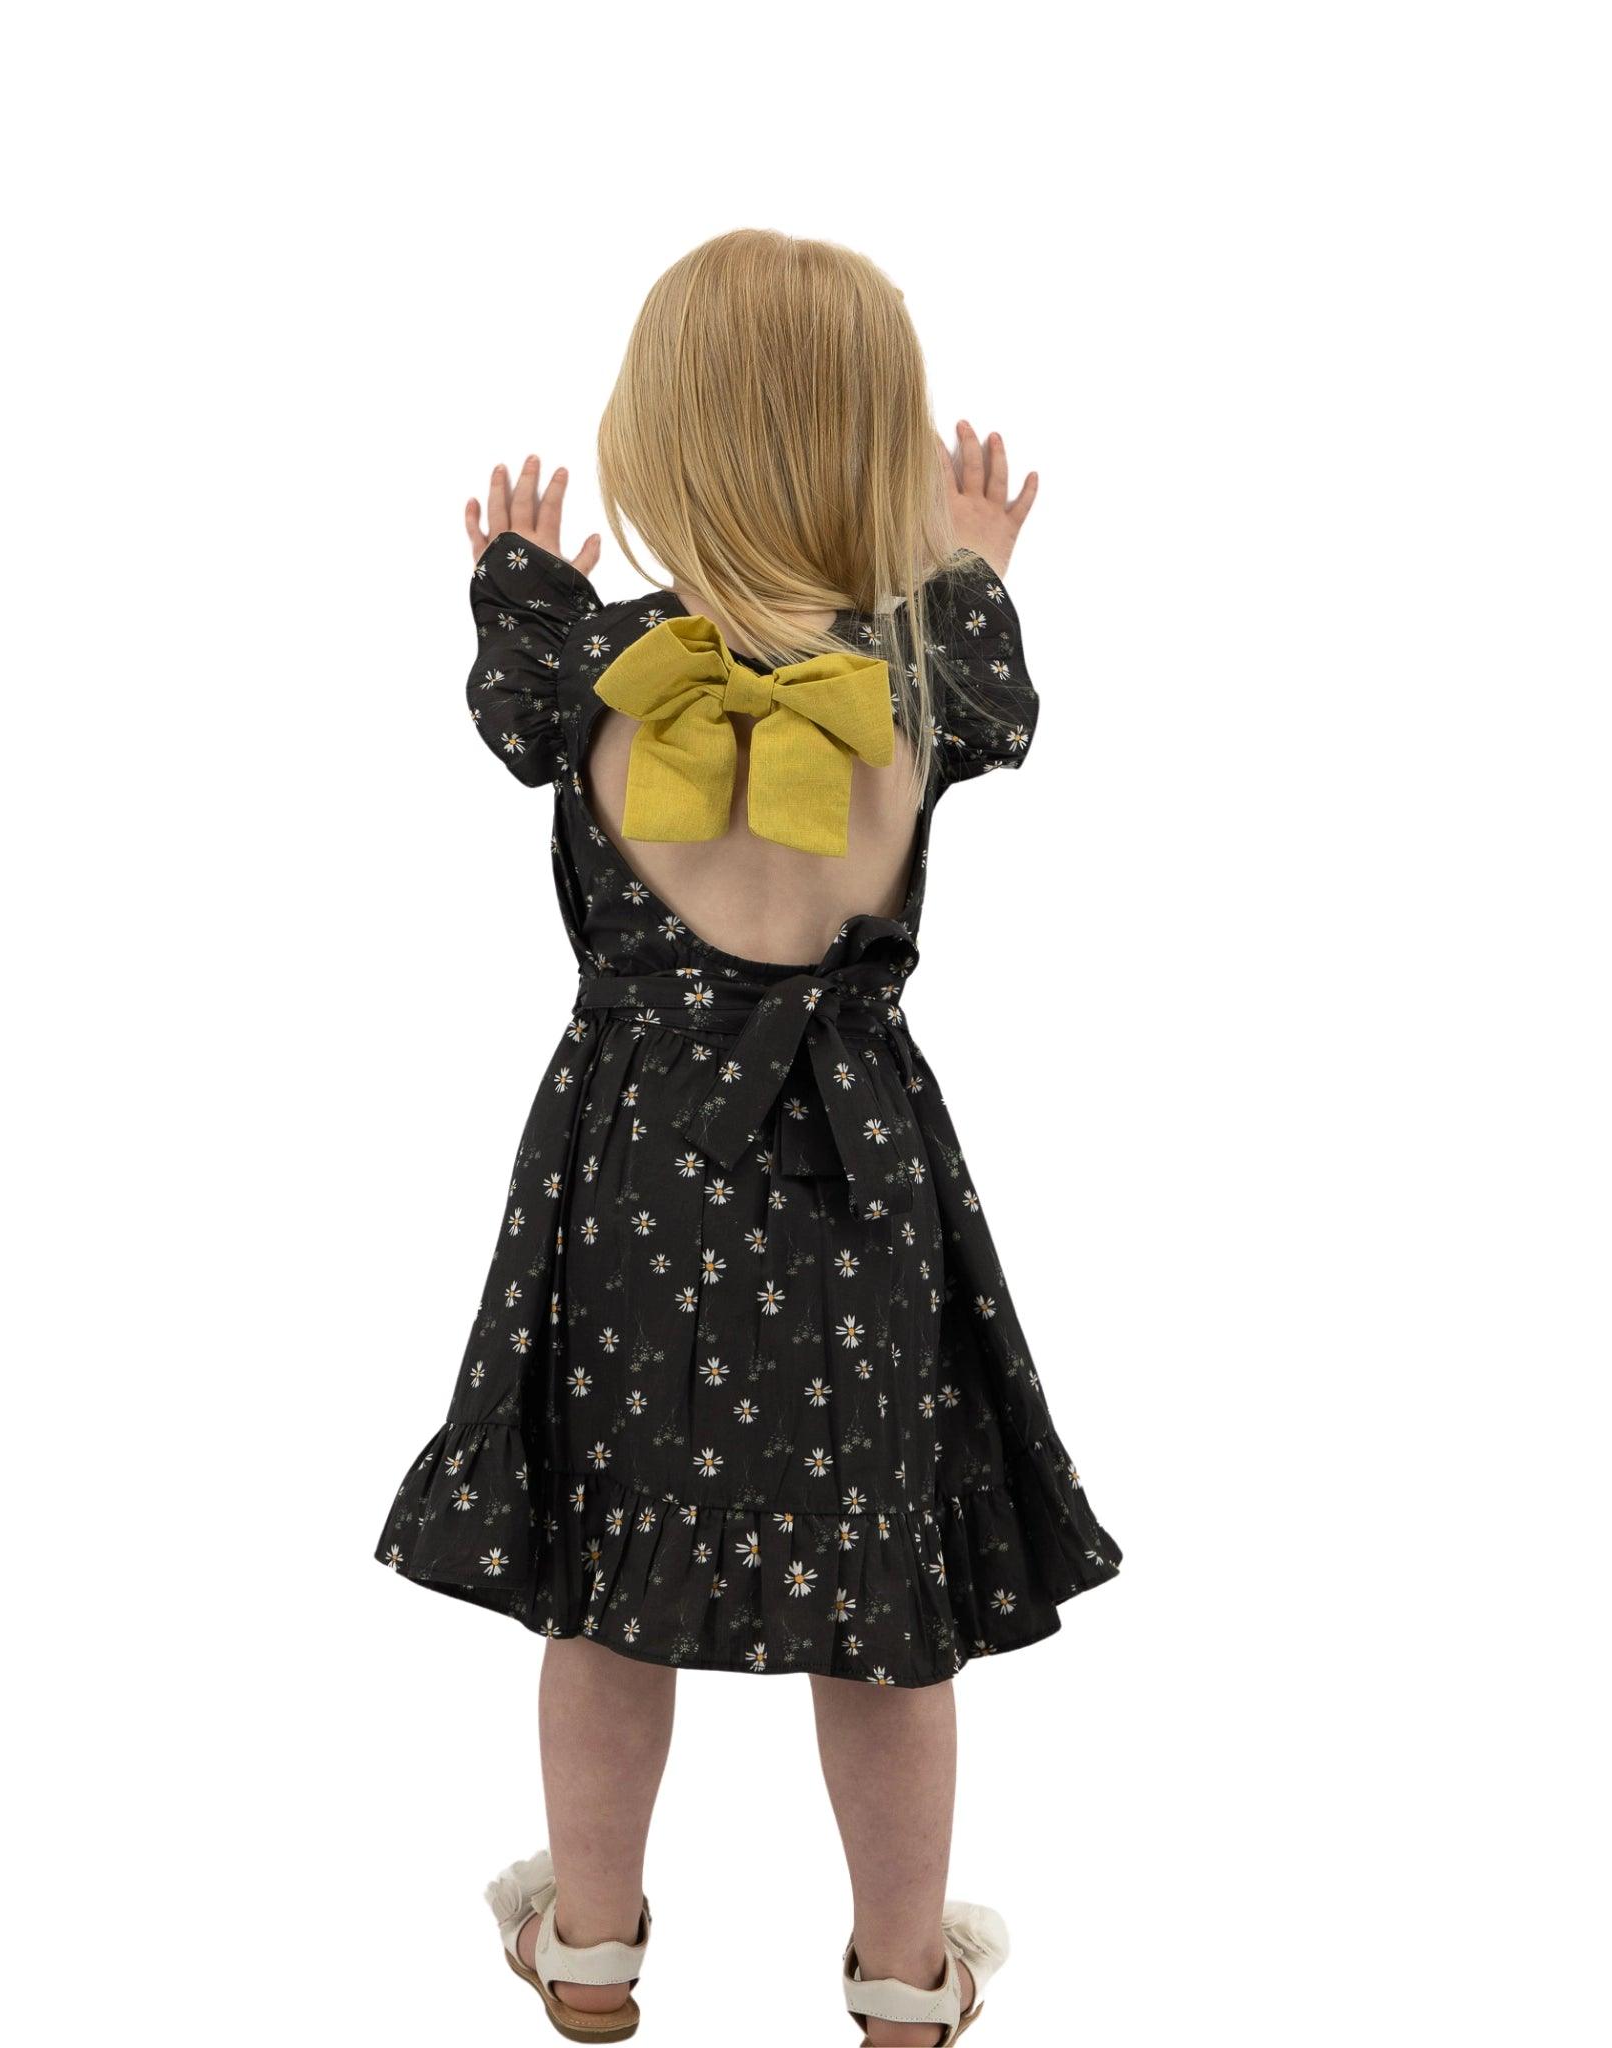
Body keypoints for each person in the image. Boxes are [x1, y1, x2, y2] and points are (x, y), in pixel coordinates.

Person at [373, 229, 1122, 2046]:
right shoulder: (930, 672)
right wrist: (965, 563)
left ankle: (595, 1948)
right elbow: (983, 676)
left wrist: (516, 582)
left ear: (658, 438)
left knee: (607, 1564)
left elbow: (510, 695)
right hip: (849, 1171)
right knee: (883, 1582)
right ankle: (897, 1972)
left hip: (632, 1165)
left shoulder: (577, 672)